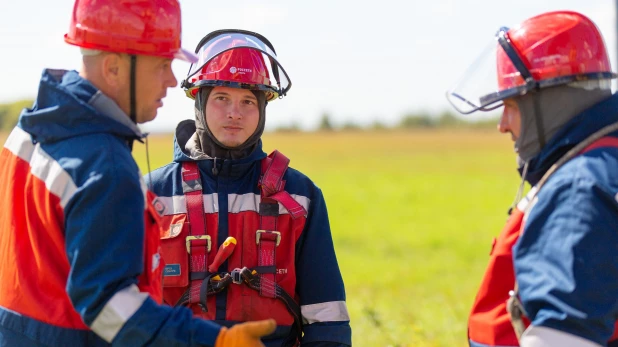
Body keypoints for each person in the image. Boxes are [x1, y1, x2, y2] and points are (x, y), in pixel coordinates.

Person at [0, 1, 275, 346]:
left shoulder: (28, 133)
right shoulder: (106, 169)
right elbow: (110, 306)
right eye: (162, 65)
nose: (172, 80)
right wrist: (214, 341)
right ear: (114, 68)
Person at [145, 29, 352, 347]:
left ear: (263, 109)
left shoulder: (300, 195)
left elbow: (327, 316)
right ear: (198, 102)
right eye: (221, 98)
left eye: (247, 101)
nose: (234, 113)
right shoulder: (154, 192)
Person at [446, 10, 618, 347]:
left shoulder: (579, 187)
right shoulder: (604, 163)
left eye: (510, 105)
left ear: (551, 103)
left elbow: (564, 338)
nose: (503, 124)